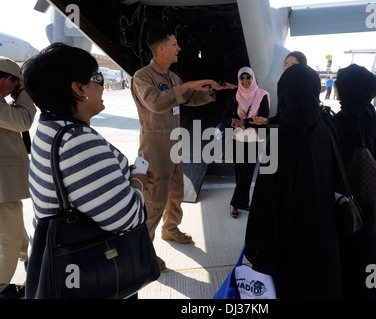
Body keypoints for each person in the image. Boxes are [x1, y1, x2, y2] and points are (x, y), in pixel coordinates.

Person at [22, 43, 157, 298]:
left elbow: (76, 185)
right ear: (78, 88)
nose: (102, 85)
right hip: (92, 277)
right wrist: (137, 182)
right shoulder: (78, 142)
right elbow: (128, 217)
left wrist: (118, 177)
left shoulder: (51, 128)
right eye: (97, 78)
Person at [131, 28, 235, 270]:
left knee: (176, 192)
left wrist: (210, 92)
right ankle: (143, 254)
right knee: (154, 203)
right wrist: (188, 85)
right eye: (175, 44)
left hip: (174, 145)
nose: (179, 48)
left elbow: (188, 100)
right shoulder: (143, 77)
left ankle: (171, 228)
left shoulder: (173, 78)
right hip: (155, 149)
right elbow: (156, 103)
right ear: (161, 48)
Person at [244, 63, 342, 298]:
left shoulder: (281, 141)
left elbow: (266, 205)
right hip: (323, 232)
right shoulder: (327, 125)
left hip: (290, 243)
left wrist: (258, 249)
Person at [333, 64, 376, 299]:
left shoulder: (344, 119)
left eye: (338, 83)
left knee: (349, 245)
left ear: (349, 88)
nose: (335, 87)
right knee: (367, 247)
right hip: (368, 193)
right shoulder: (368, 112)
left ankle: (352, 290)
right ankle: (370, 289)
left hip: (348, 196)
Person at [0, 57, 36, 299]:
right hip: (3, 187)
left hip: (5, 186)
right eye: (15, 85)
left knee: (15, 232)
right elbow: (22, 121)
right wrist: (26, 97)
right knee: (8, 239)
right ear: (5, 79)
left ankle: (30, 265)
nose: (15, 90)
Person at [222, 67, 269, 218]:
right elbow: (225, 116)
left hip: (253, 138)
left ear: (253, 78)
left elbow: (264, 117)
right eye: (242, 78)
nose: (245, 81)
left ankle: (234, 203)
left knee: (247, 172)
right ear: (238, 80)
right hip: (238, 138)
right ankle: (244, 201)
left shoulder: (262, 95)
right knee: (239, 171)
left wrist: (245, 122)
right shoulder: (234, 96)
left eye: (248, 77)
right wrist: (232, 121)